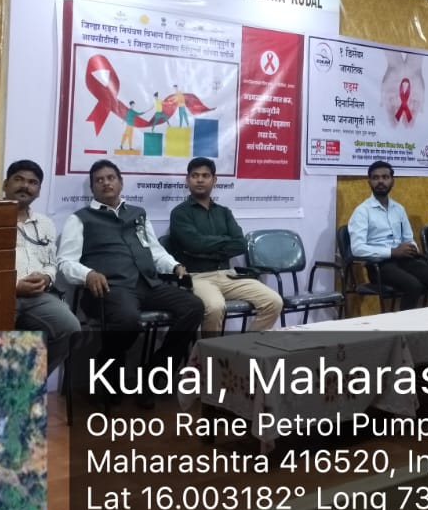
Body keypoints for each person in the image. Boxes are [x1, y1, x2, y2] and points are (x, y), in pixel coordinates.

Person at [56, 160, 203, 404]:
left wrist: (174, 266)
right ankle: (109, 364)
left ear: (121, 182)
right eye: (99, 180)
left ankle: (156, 371)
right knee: (127, 320)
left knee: (194, 307)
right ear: (92, 188)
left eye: (111, 178)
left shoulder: (138, 214)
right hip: (111, 288)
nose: (106, 183)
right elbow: (65, 261)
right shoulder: (80, 219)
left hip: (148, 284)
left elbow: (154, 251)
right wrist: (88, 274)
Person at [168, 157, 283, 334]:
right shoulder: (179, 213)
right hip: (197, 277)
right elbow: (194, 244)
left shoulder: (224, 212)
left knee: (274, 302)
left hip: (228, 275)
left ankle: (244, 346)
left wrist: (206, 245)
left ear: (214, 180)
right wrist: (223, 242)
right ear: (187, 180)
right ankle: (210, 351)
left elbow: (240, 244)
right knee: (215, 307)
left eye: (205, 175)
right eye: (195, 175)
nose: (200, 180)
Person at [347, 160, 428, 311]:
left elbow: (408, 238)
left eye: (385, 177)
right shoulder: (362, 211)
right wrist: (392, 252)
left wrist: (412, 247)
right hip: (379, 266)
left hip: (405, 260)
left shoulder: (399, 209)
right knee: (414, 286)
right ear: (369, 182)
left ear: (392, 181)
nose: (380, 181)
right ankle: (405, 326)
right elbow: (357, 249)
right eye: (375, 178)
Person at [3, 160, 80, 374]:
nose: (25, 186)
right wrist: (14, 287)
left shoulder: (45, 223)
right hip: (0, 295)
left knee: (71, 328)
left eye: (32, 182)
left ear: (38, 191)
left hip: (38, 296)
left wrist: (46, 278)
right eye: (18, 179)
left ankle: (31, 380)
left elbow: (51, 263)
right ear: (5, 184)